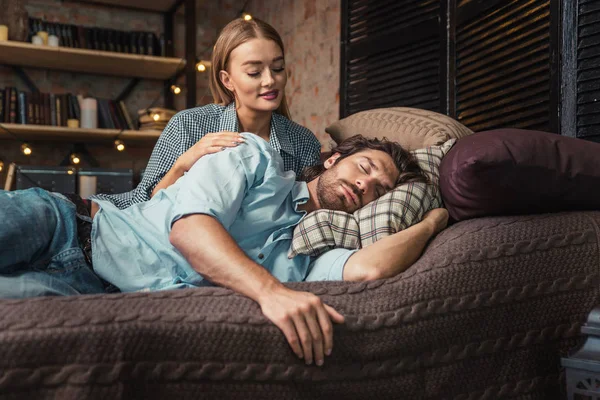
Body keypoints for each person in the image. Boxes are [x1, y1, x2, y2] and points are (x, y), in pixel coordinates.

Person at [0, 133, 448, 368]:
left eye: (379, 192)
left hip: (90, 293)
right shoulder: (254, 159)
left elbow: (370, 268)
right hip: (67, 225)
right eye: (364, 167)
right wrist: (270, 292)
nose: (364, 185)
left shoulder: (310, 252)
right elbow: (191, 230)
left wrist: (436, 219)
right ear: (334, 159)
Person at [94, 17, 321, 209]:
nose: (270, 80)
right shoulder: (187, 125)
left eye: (278, 68)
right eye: (254, 72)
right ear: (227, 80)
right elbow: (146, 206)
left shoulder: (303, 142)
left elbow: (308, 213)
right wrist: (182, 165)